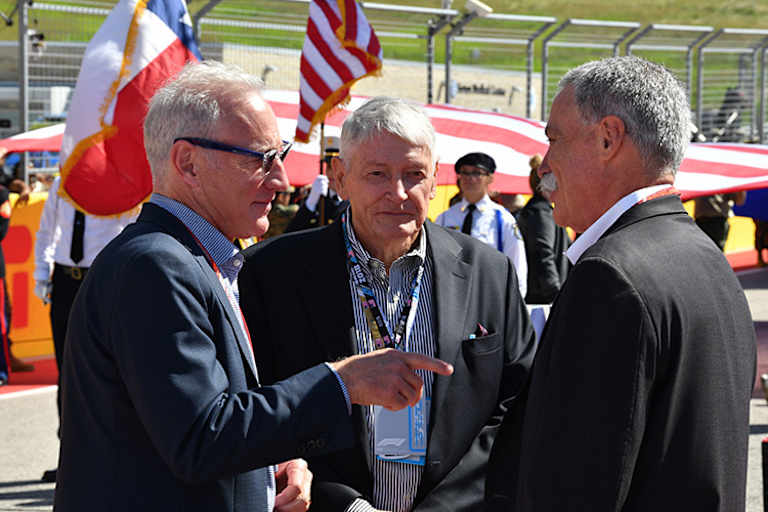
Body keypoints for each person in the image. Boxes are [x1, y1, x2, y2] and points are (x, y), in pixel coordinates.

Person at [54, 62, 452, 512]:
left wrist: (272, 465)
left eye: (278, 156)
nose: (281, 181)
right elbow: (201, 438)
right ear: (188, 162)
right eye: (261, 159)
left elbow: (198, 426)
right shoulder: (157, 266)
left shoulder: (195, 261)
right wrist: (342, 381)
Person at [239, 96, 536, 512]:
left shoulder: (489, 272)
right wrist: (343, 504)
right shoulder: (272, 275)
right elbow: (258, 406)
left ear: (435, 180)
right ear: (339, 178)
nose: (397, 193)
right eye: (377, 174)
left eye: (414, 175)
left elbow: (516, 406)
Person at [486, 56, 756, 511]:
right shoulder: (706, 258)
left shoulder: (609, 276)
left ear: (608, 138)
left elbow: (573, 488)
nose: (544, 165)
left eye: (554, 139)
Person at [33, 175, 136, 482]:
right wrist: (42, 272)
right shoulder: (62, 183)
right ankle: (69, 453)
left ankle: (108, 453)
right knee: (66, 372)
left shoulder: (121, 183)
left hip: (102, 276)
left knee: (106, 370)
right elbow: (47, 229)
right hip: (65, 280)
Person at [435, 152, 527, 298]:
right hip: (451, 296)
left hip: (489, 296)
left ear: (490, 178)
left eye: (477, 173)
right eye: (464, 173)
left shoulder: (502, 219)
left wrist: (515, 303)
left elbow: (517, 264)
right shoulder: (445, 218)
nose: (470, 179)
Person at [516, 153, 569, 305]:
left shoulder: (543, 210)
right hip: (542, 300)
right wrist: (555, 294)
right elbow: (543, 253)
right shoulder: (539, 212)